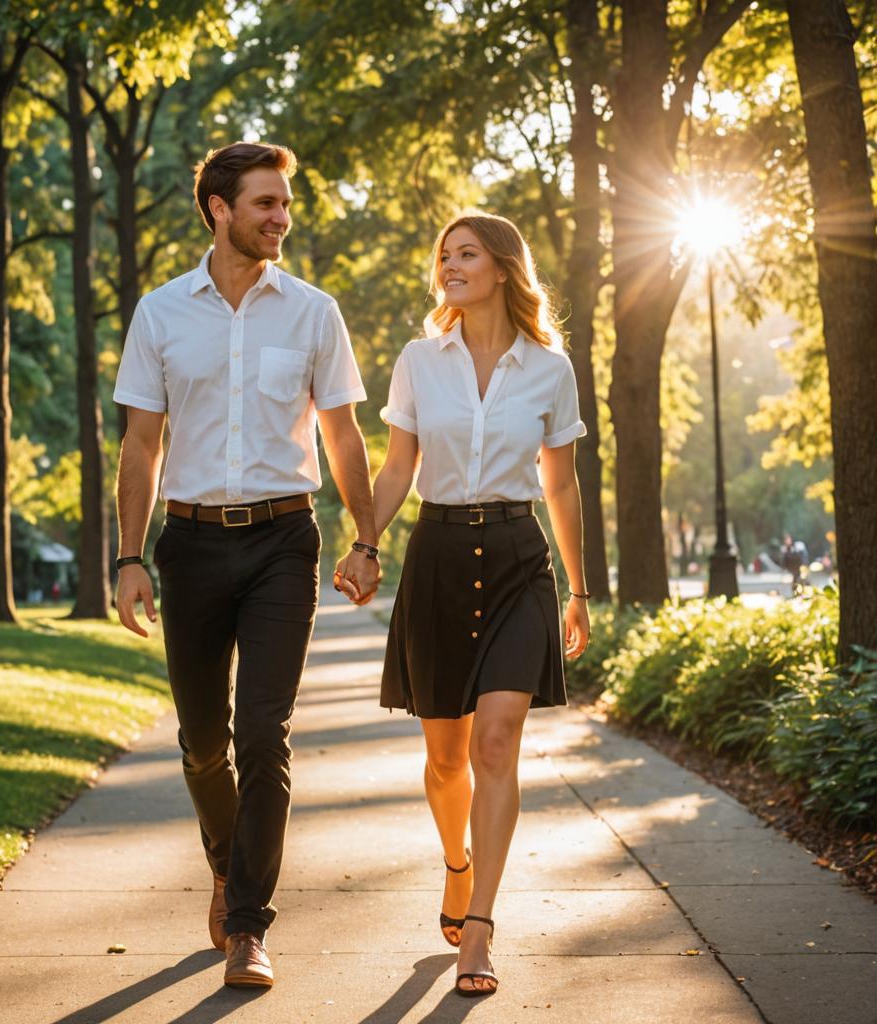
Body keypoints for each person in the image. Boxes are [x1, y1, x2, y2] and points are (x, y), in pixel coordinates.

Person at [112, 141, 380, 990]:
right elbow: (141, 443)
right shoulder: (159, 314)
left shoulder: (313, 312)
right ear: (219, 208)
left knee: (264, 732)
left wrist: (367, 538)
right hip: (188, 544)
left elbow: (341, 434)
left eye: (285, 204)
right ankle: (227, 864)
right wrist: (127, 556)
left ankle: (248, 924)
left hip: (281, 540)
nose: (282, 219)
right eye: (266, 203)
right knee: (202, 743)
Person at [364, 212, 589, 997]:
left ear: (501, 267)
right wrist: (365, 541)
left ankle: (482, 928)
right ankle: (456, 864)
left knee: (497, 742)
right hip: (438, 557)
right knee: (447, 756)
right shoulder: (421, 361)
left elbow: (559, 484)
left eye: (466, 254)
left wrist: (579, 589)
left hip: (520, 561)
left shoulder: (549, 369)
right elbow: (397, 469)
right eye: (444, 256)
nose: (450, 266)